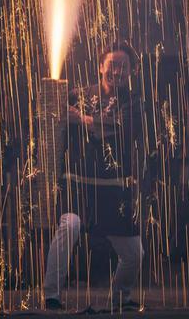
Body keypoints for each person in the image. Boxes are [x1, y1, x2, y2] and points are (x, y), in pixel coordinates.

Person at [44, 42, 148, 311]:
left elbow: (119, 128)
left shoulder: (134, 102)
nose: (117, 70)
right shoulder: (77, 95)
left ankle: (120, 297)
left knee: (134, 254)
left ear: (132, 72)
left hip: (114, 188)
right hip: (78, 184)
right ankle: (51, 295)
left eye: (123, 66)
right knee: (69, 226)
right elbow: (53, 123)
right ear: (101, 66)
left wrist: (82, 119)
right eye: (112, 64)